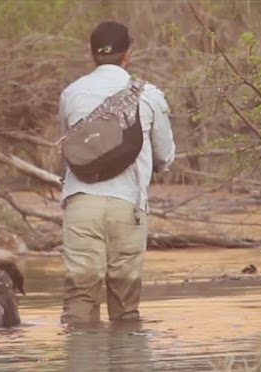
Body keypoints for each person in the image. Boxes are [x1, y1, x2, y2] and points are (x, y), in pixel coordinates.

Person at [58, 21, 176, 325]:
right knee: (125, 304)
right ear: (129, 53)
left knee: (80, 297)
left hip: (81, 201)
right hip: (128, 206)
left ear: (92, 54)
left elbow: (69, 149)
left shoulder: (71, 93)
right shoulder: (148, 95)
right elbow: (165, 156)